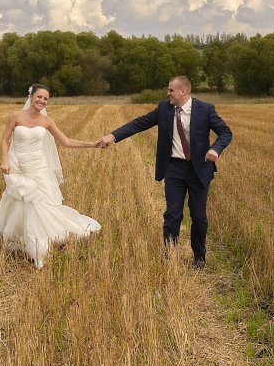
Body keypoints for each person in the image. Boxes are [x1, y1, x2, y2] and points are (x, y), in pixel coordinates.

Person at [97, 76, 232, 269]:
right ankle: (170, 256)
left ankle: (199, 257)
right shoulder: (164, 108)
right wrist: (113, 136)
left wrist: (215, 149)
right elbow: (139, 123)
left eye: (171, 90)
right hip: (174, 168)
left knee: (198, 216)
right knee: (172, 214)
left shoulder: (205, 109)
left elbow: (226, 132)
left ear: (184, 91)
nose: (168, 93)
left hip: (199, 169)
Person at [0, 83, 102, 269]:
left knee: (38, 202)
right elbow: (4, 140)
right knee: (21, 201)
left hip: (38, 167)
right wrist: (5, 160)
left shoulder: (47, 121)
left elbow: (66, 141)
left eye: (45, 99)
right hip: (18, 165)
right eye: (39, 97)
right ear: (31, 97)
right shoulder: (16, 116)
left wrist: (91, 144)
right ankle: (20, 236)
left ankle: (37, 244)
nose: (42, 101)